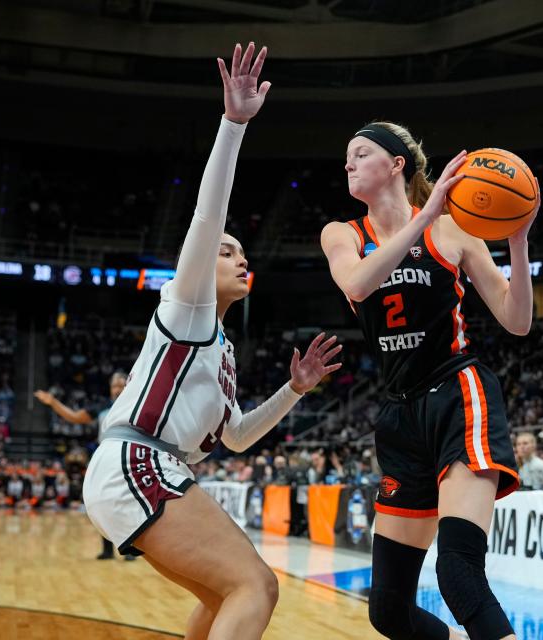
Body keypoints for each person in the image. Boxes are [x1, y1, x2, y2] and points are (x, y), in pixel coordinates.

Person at [82, 43, 341, 640]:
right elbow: (207, 216)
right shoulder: (187, 304)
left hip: (147, 467)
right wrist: (233, 125)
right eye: (228, 252)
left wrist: (295, 390)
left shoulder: (218, 345)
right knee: (258, 585)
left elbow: (236, 436)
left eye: (243, 254)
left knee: (228, 594)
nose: (239, 259)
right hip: (137, 460)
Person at [321, 114, 539, 640]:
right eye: (347, 155)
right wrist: (424, 217)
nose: (348, 161)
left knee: (457, 573)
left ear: (396, 163)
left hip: (457, 395)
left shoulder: (452, 229)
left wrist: (518, 241)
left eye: (361, 152)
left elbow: (517, 320)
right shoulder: (342, 234)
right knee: (387, 612)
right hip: (398, 413)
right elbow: (357, 285)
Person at [35, 372, 133, 560]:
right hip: (106, 459)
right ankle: (107, 549)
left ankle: (129, 549)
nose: (119, 389)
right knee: (104, 504)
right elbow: (74, 416)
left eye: (122, 385)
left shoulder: (137, 404)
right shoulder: (102, 407)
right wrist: (53, 402)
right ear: (110, 388)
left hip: (129, 457)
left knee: (126, 505)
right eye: (115, 386)